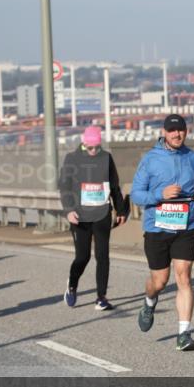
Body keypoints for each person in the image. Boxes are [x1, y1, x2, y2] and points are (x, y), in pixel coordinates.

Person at [130, 114, 194, 351]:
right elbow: (136, 194)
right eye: (172, 131)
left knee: (184, 276)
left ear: (186, 132)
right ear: (164, 133)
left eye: (181, 130)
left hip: (186, 226)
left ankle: (184, 334)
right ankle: (149, 301)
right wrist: (160, 195)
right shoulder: (150, 160)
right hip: (157, 228)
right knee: (159, 281)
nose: (177, 134)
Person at [58, 126, 127, 310]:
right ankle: (72, 285)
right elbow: (64, 187)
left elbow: (114, 186)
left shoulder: (106, 158)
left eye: (97, 147)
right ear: (84, 143)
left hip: (102, 213)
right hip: (79, 216)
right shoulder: (72, 158)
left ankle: (101, 298)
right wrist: (69, 210)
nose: (94, 150)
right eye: (90, 147)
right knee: (83, 257)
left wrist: (120, 210)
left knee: (103, 256)